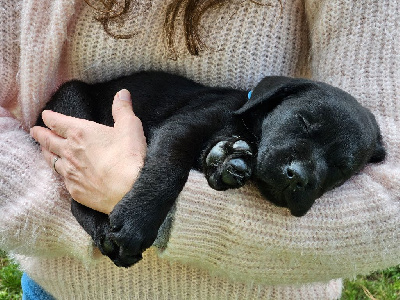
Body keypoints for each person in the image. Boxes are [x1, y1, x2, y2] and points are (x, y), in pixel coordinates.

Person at [0, 0, 399, 299]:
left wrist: (161, 208)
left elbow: (391, 195)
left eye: (336, 165)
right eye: (302, 128)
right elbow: (177, 136)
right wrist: (97, 204)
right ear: (273, 97)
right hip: (65, 284)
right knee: (71, 101)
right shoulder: (232, 112)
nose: (302, 167)